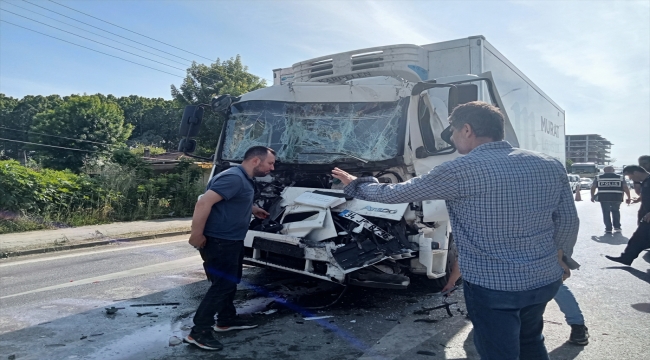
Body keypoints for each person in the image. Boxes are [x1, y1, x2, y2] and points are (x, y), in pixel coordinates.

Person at [332, 101, 578, 360]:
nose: (451, 138)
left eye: (452, 131)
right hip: (543, 279)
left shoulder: (459, 170)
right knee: (531, 340)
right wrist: (561, 257)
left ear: (467, 130)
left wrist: (357, 184)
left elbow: (395, 194)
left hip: (493, 286)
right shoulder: (549, 165)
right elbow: (568, 221)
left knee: (498, 351)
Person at [185, 146, 275, 351]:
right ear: (255, 161)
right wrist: (196, 234)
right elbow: (204, 203)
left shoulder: (243, 178)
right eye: (270, 163)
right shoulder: (234, 177)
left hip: (231, 240)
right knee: (222, 286)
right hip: (219, 241)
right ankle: (198, 332)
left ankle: (226, 320)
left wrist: (252, 209)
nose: (272, 168)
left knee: (229, 281)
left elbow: (230, 200)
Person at [442, 256, 589, 346]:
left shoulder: (482, 221)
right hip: (538, 262)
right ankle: (578, 327)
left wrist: (452, 282)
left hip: (512, 273)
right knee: (557, 288)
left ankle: (577, 326)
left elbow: (463, 258)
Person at [606, 165, 650, 266]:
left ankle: (626, 258)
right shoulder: (646, 181)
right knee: (638, 238)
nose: (630, 179)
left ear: (635, 173)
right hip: (647, 216)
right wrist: (638, 199)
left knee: (639, 237)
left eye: (629, 176)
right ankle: (626, 258)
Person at [590, 166, 631, 233]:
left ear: (604, 170)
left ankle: (608, 228)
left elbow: (593, 187)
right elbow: (625, 187)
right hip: (617, 197)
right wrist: (629, 197)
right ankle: (617, 227)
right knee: (616, 211)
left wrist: (592, 196)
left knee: (606, 212)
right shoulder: (620, 177)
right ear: (613, 170)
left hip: (603, 197)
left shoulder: (598, 177)